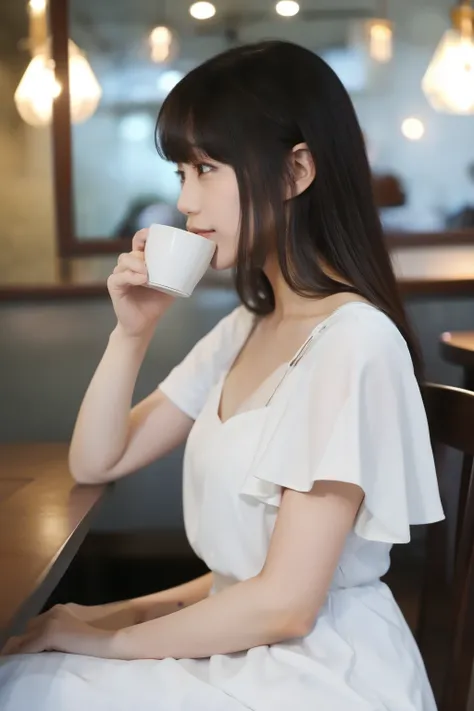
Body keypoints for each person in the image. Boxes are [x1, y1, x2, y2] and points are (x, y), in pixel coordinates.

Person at [0, 40, 444, 711]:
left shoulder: (355, 343)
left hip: (319, 673)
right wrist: (132, 331)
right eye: (182, 171)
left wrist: (103, 638)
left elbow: (286, 605)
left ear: (296, 170)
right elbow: (98, 459)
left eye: (206, 168)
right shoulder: (246, 325)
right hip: (248, 649)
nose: (184, 200)